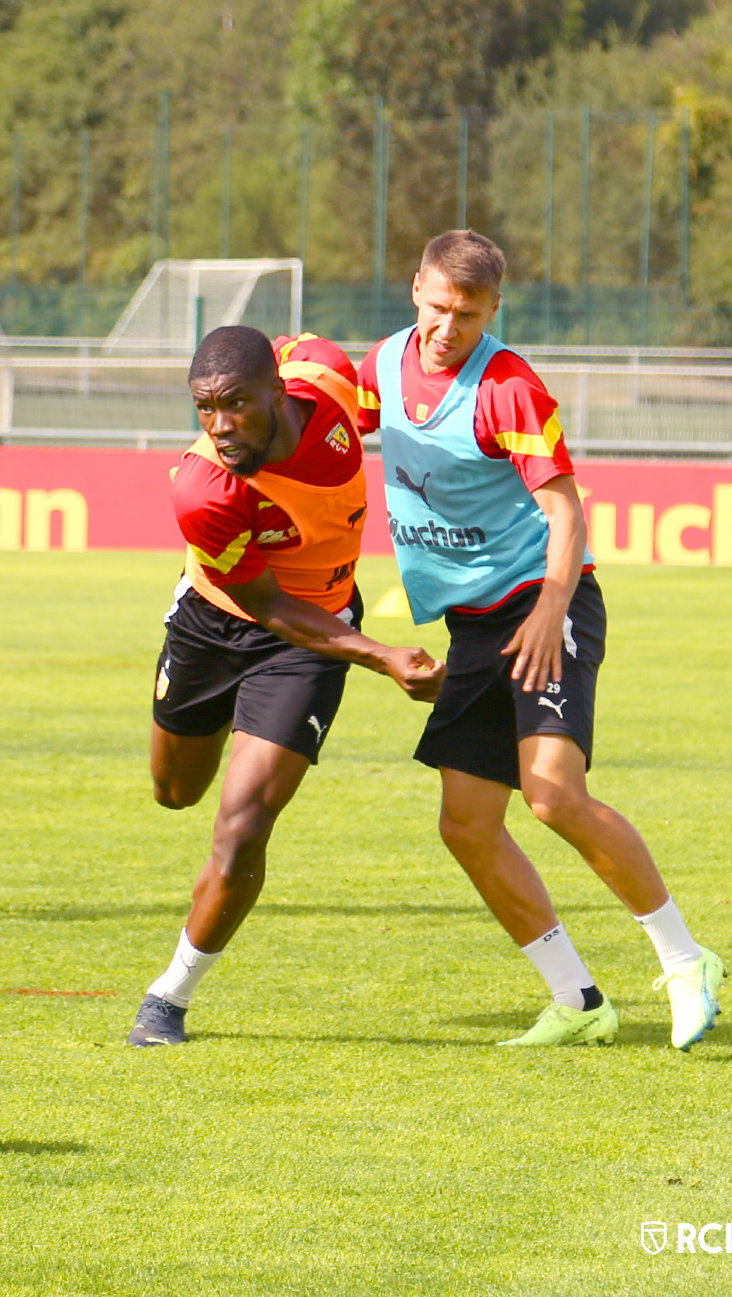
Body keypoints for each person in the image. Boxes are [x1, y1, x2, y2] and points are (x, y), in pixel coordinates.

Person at [357, 229, 725, 1050]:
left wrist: (553, 607)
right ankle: (579, 1000)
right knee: (466, 823)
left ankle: (686, 959)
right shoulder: (380, 368)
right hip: (475, 623)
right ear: (415, 286)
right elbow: (326, 432)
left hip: (545, 603)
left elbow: (566, 510)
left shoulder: (508, 387)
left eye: (470, 313)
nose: (450, 327)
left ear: (494, 309)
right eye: (440, 307)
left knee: (552, 792)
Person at [128, 326, 445, 1046]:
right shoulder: (202, 487)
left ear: (278, 388)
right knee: (174, 792)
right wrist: (384, 656)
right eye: (205, 408)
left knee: (241, 828)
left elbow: (399, 398)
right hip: (213, 624)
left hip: (310, 641)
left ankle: (168, 998)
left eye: (237, 403)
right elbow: (268, 605)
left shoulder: (326, 378)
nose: (221, 425)